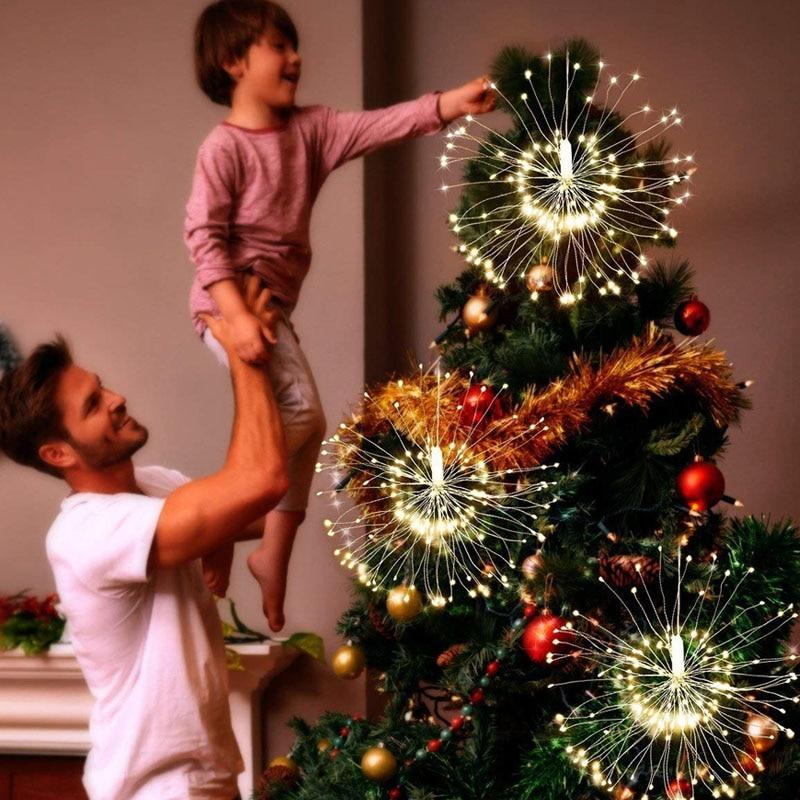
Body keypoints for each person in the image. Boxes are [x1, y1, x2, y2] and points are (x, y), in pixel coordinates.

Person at [185, 0, 496, 631]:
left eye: (293, 45)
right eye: (278, 45)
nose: (295, 56)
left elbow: (382, 125)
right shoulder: (224, 148)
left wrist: (453, 103)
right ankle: (220, 521)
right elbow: (203, 235)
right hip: (230, 309)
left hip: (271, 309)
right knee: (303, 417)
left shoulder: (312, 131)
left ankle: (271, 554)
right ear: (233, 61)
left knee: (297, 437)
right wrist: (238, 317)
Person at [0, 278, 286, 800]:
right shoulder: (84, 532)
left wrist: (218, 535)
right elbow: (262, 481)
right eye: (92, 404)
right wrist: (244, 355)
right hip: (155, 787)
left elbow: (263, 507)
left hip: (206, 776)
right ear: (58, 454)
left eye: (102, 385)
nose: (116, 397)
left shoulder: (157, 486)